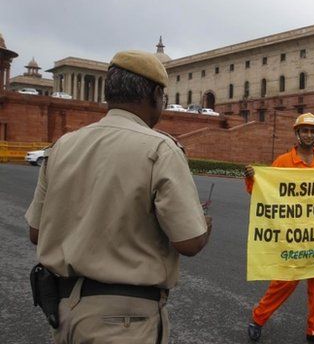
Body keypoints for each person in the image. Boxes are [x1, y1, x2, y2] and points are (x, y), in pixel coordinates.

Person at [25, 50, 211, 344]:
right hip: (125, 322)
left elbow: (36, 232)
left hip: (64, 314)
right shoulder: (161, 149)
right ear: (153, 94)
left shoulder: (62, 146)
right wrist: (204, 225)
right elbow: (188, 242)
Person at [244, 113, 314, 344]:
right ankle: (258, 318)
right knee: (283, 284)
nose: (308, 134)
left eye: (312, 131)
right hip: (291, 236)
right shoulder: (283, 162)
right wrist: (253, 179)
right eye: (304, 130)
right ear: (297, 133)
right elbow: (266, 193)